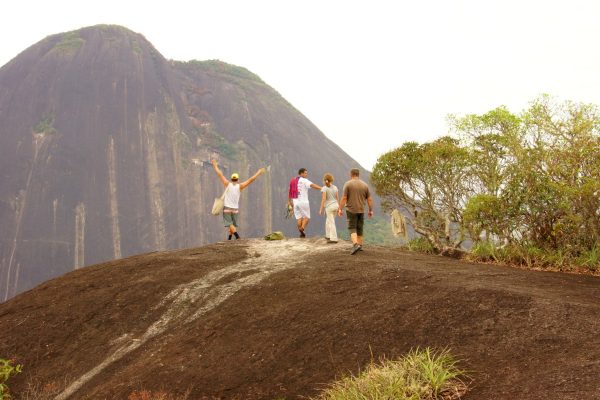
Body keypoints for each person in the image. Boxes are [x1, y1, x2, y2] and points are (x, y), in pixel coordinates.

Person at [211, 159, 265, 240]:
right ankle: (229, 238)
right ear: (238, 179)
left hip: (227, 208)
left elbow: (220, 175)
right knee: (231, 224)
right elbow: (250, 180)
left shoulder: (227, 184)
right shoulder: (240, 186)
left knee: (230, 224)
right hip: (235, 209)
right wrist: (258, 173)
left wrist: (215, 166)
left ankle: (237, 237)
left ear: (231, 179)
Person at [338, 168, 373, 254]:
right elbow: (369, 199)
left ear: (351, 174)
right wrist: (370, 210)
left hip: (351, 210)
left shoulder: (348, 184)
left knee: (352, 227)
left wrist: (340, 209)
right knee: (359, 227)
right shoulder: (365, 185)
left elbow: (344, 198)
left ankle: (355, 245)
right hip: (361, 210)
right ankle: (360, 245)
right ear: (358, 174)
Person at [288, 168, 321, 238]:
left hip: (295, 202)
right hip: (303, 202)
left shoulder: (293, 181)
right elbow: (312, 185)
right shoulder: (304, 180)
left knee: (299, 218)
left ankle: (301, 233)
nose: (306, 174)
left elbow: (290, 191)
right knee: (307, 218)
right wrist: (321, 188)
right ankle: (302, 229)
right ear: (301, 173)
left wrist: (289, 201)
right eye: (305, 173)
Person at [318, 173, 339, 243]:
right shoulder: (335, 187)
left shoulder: (324, 188)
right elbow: (337, 198)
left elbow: (323, 199)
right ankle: (328, 235)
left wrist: (321, 209)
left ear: (325, 180)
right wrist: (339, 208)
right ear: (331, 180)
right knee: (328, 221)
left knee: (331, 222)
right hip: (336, 206)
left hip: (329, 207)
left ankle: (334, 238)